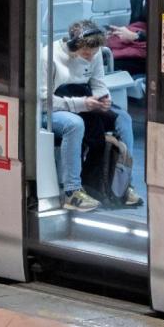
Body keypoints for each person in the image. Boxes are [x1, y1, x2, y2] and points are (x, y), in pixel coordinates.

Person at [39, 19, 141, 212]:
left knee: (123, 119)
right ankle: (72, 192)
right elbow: (44, 102)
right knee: (74, 124)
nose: (90, 58)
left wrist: (104, 100)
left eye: (93, 54)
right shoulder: (49, 57)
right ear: (73, 44)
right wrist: (82, 104)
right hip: (52, 111)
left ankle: (123, 184)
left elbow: (99, 84)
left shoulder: (94, 55)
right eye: (86, 53)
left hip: (83, 102)